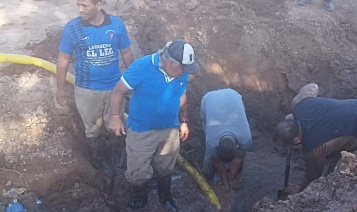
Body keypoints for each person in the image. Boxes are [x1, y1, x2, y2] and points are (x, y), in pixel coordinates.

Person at [109, 40, 199, 211]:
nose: (185, 74)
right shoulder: (141, 67)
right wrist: (115, 116)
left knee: (165, 166)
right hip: (141, 131)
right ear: (171, 63)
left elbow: (182, 96)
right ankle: (140, 198)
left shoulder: (182, 72)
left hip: (170, 130)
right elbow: (119, 90)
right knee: (137, 172)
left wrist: (184, 122)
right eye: (183, 69)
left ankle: (165, 198)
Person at [56, 0, 134, 177]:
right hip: (86, 90)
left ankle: (119, 158)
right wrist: (60, 88)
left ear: (99, 5)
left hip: (115, 87)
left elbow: (127, 52)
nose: (80, 10)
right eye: (78, 5)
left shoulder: (116, 24)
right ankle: (99, 161)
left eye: (85, 5)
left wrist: (133, 79)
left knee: (116, 124)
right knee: (92, 129)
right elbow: (63, 59)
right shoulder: (72, 28)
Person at [273, 83, 357, 195]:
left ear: (296, 140)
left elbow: (313, 176)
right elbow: (313, 86)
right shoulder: (299, 104)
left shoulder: (314, 151)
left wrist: (300, 190)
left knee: (332, 165)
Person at [200, 88, 252, 191]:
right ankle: (207, 172)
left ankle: (234, 171)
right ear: (217, 145)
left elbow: (239, 157)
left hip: (234, 95)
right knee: (208, 157)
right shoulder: (211, 139)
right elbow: (216, 161)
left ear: (237, 147)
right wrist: (224, 180)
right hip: (209, 98)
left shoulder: (246, 137)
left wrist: (232, 175)